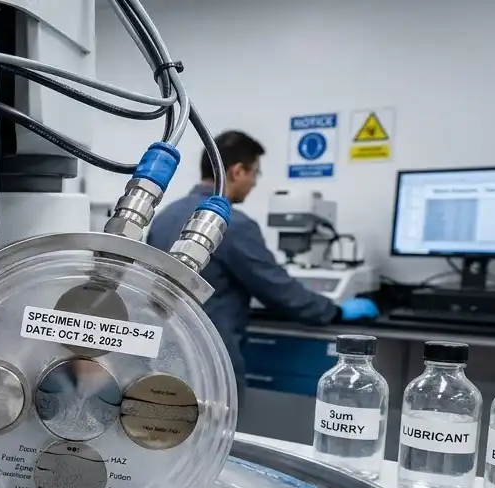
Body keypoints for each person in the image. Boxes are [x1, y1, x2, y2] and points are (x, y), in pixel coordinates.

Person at [146, 131, 379, 394]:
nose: (255, 183)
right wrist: (334, 311)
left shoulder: (164, 217)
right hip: (211, 359)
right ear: (237, 172)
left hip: (163, 353)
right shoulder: (232, 224)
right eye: (255, 173)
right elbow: (280, 291)